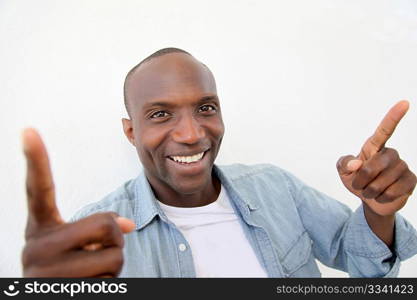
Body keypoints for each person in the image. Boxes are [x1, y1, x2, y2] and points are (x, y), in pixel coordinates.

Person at [21, 48, 417, 277]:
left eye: (205, 108)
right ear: (131, 131)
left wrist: (375, 212)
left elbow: (366, 268)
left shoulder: (275, 187)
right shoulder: (97, 235)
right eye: (160, 114)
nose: (192, 133)